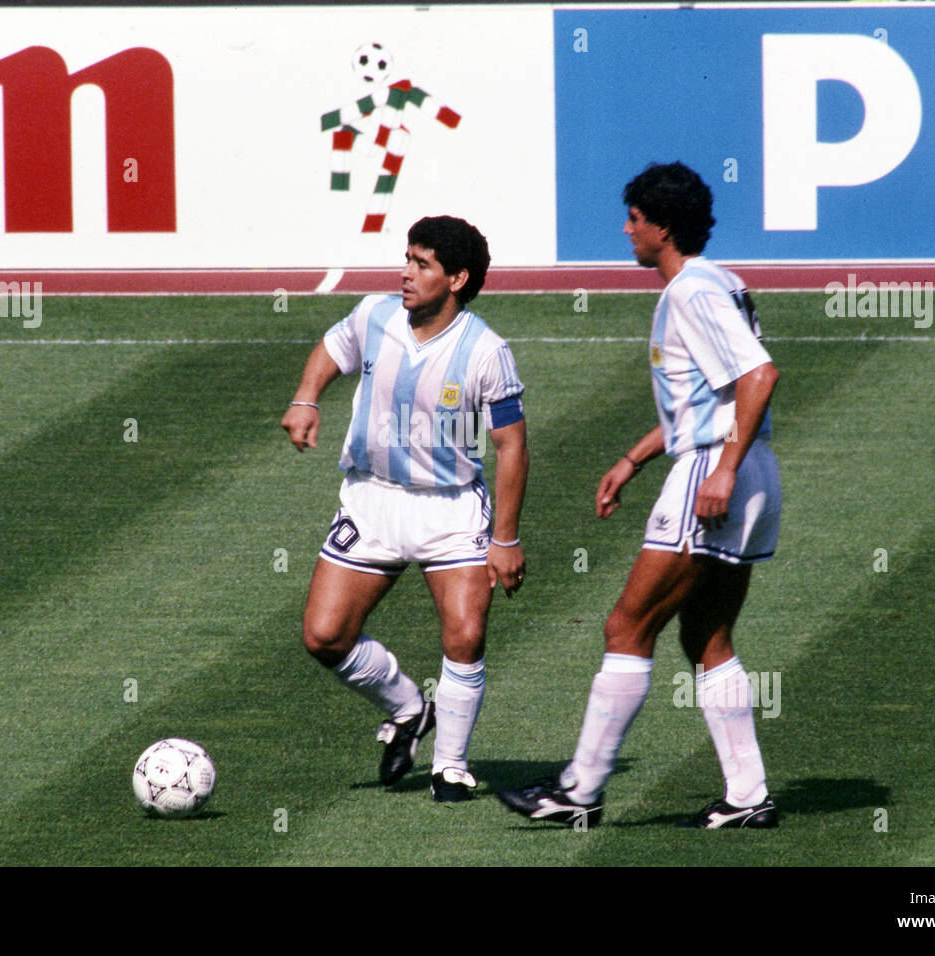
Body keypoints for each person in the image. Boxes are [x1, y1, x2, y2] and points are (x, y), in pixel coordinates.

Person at [497, 162, 781, 829]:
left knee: (628, 626)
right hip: (750, 468)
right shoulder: (721, 283)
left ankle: (580, 791)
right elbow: (708, 396)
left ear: (663, 227)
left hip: (719, 471)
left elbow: (759, 376)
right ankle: (748, 797)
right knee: (707, 636)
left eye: (635, 219)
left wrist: (720, 471)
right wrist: (634, 458)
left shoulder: (691, 292)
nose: (627, 230)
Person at [281, 215, 528, 803]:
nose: (406, 273)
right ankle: (408, 708)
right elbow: (331, 347)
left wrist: (507, 538)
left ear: (457, 279)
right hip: (372, 500)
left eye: (423, 265)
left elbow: (511, 445)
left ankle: (451, 766)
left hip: (450, 511)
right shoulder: (375, 316)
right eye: (407, 259)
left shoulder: (486, 352)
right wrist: (306, 398)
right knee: (324, 636)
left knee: (465, 635)